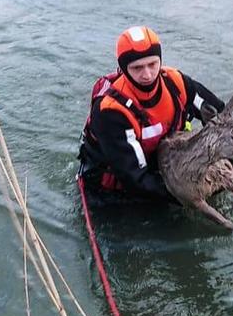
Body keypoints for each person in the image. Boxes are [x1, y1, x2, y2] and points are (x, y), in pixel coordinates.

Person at [78, 26, 225, 200]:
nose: (147, 75)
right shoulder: (110, 111)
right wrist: (192, 191)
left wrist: (224, 165)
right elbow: (136, 179)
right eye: (137, 68)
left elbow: (222, 118)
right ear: (124, 68)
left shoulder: (177, 83)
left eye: (152, 64)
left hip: (167, 169)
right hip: (114, 194)